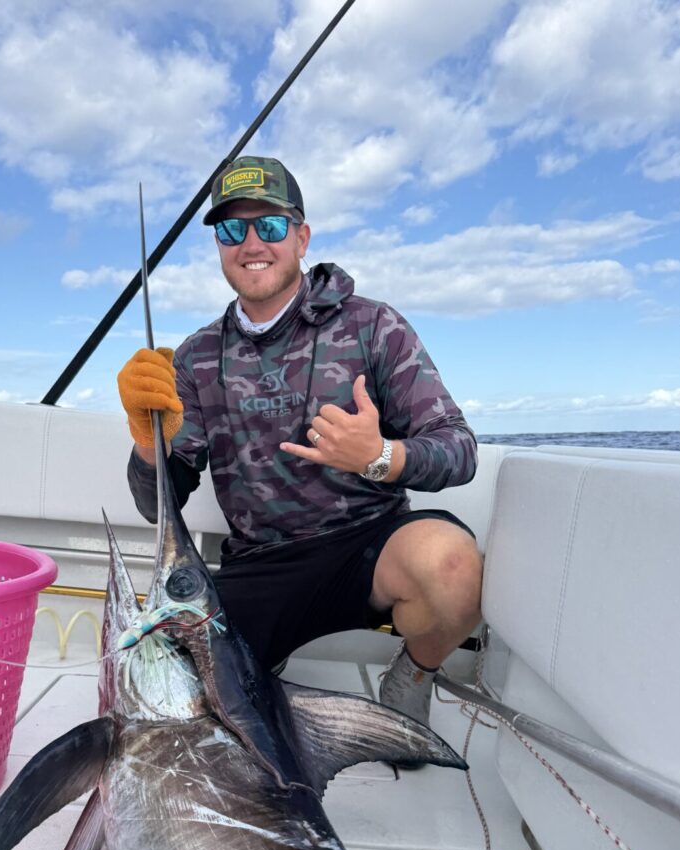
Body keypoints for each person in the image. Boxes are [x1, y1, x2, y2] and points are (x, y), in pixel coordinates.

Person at [118, 155, 482, 730]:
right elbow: (157, 506)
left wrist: (379, 457)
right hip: (261, 562)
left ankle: (412, 675)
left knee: (454, 566)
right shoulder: (194, 357)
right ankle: (264, 651)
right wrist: (147, 442)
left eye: (271, 225)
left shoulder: (373, 326)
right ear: (219, 245)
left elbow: (459, 450)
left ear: (302, 235)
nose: (252, 242)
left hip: (368, 547)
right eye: (233, 228)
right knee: (162, 686)